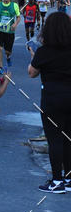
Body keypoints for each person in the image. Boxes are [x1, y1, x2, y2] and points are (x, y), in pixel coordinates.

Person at [28, 12, 71, 193]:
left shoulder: (44, 51)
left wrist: (33, 54)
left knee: (55, 139)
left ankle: (56, 181)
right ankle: (69, 178)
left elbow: (32, 72)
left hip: (52, 99)